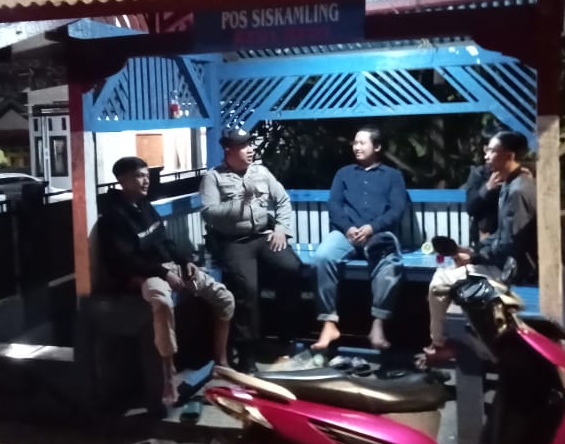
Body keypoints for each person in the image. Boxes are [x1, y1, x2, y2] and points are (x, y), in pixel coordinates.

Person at [97, 156, 234, 405]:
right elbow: (128, 260)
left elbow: (165, 241)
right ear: (122, 180)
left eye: (147, 175)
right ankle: (168, 372)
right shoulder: (112, 218)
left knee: (225, 298)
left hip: (168, 267)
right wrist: (164, 274)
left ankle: (221, 362)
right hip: (144, 276)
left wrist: (184, 261)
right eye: (139, 176)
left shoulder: (145, 206)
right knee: (162, 302)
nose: (146, 180)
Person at [423, 131, 537, 364]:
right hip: (500, 262)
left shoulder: (518, 190)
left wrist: (475, 257)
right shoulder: (510, 183)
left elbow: (511, 244)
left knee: (439, 284)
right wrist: (471, 251)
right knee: (444, 278)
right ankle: (446, 343)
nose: (486, 155)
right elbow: (499, 234)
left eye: (492, 151)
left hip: (511, 271)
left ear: (508, 155)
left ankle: (444, 345)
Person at [200, 127, 301, 373]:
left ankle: (285, 337)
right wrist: (241, 203)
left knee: (292, 268)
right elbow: (209, 213)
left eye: (250, 144)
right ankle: (247, 352)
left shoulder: (261, 172)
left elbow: (283, 200)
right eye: (244, 146)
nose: (251, 149)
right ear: (229, 150)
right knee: (246, 289)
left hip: (264, 236)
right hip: (234, 242)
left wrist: (281, 229)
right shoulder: (213, 178)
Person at [312, 126, 408, 351]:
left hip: (378, 234)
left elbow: (396, 210)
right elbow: (334, 205)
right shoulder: (343, 173)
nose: (356, 147)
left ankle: (378, 324)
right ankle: (328, 323)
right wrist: (348, 228)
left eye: (362, 143)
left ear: (377, 146)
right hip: (346, 233)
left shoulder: (393, 176)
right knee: (322, 257)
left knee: (390, 264)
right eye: (355, 143)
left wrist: (372, 228)